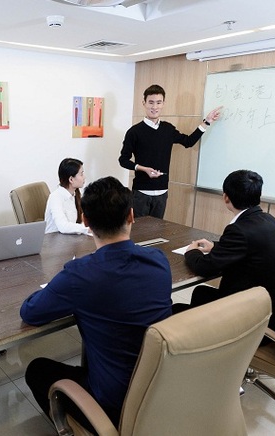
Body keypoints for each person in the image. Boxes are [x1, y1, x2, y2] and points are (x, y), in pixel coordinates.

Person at [21, 176, 172, 430]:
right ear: (131, 216)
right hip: (162, 388)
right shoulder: (158, 260)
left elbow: (30, 312)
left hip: (114, 404)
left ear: (86, 222)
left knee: (37, 370)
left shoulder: (80, 274)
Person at [180, 169, 275, 332]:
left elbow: (205, 267)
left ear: (226, 197)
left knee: (176, 310)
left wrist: (191, 251)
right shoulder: (269, 220)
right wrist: (215, 246)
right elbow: (248, 247)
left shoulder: (239, 230)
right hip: (271, 309)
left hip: (249, 317)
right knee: (201, 292)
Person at [119, 84, 222, 219]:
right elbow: (123, 160)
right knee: (139, 230)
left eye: (158, 102)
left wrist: (207, 121)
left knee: (157, 231)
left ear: (163, 104)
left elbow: (188, 142)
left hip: (162, 192)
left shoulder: (168, 129)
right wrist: (143, 169)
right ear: (144, 103)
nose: (154, 107)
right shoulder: (134, 131)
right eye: (151, 102)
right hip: (141, 192)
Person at [44, 158, 89, 235]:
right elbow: (63, 226)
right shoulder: (55, 198)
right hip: (55, 240)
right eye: (81, 174)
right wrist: (87, 229)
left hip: (68, 238)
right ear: (71, 179)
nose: (84, 177)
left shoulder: (74, 194)